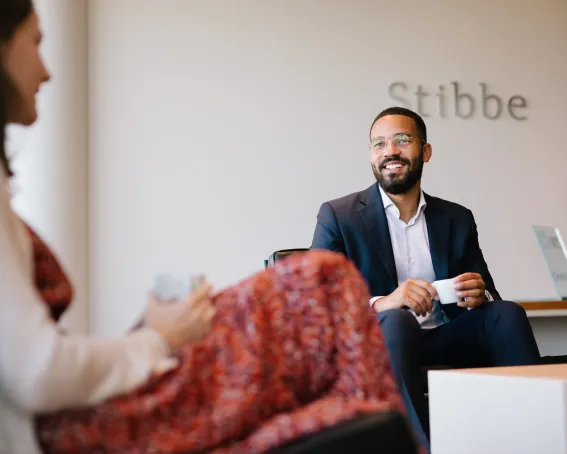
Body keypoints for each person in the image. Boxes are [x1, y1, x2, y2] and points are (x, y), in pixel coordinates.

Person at [0, 2, 406, 453]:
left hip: (75, 414)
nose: (46, 72)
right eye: (35, 44)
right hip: (72, 429)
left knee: (325, 291)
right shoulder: (341, 212)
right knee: (325, 283)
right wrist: (158, 338)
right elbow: (38, 371)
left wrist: (150, 337)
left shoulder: (453, 218)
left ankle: (370, 421)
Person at [311, 106, 541, 449]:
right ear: (372, 155)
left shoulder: (456, 218)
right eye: (379, 144)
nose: (390, 151)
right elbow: (318, 302)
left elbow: (488, 289)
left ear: (425, 151)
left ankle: (538, 435)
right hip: (379, 342)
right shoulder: (338, 215)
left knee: (507, 314)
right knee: (398, 321)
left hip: (444, 333)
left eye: (402, 140)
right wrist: (384, 303)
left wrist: (481, 294)